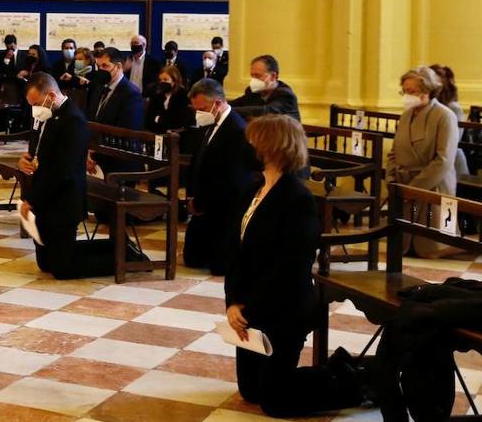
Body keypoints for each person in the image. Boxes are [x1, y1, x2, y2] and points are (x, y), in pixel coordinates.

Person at [225, 114, 362, 418]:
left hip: (282, 310)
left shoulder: (296, 198)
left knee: (276, 402)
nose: (246, 147)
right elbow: (235, 252)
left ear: (272, 148)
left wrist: (249, 309)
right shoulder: (253, 190)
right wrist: (234, 301)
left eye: (252, 142)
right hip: (249, 307)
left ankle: (354, 380)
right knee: (251, 392)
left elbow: (290, 269)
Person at [17, 73, 116, 279]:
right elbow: (36, 148)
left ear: (51, 95)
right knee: (46, 264)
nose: (34, 109)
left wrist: (32, 200)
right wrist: (26, 159)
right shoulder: (45, 115)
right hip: (46, 194)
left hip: (64, 199)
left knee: (62, 269)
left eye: (36, 103)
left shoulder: (73, 121)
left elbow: (62, 171)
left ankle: (125, 258)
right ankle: (109, 249)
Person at [182, 79, 257, 274]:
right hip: (204, 199)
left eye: (203, 108)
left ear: (217, 103)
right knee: (191, 258)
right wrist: (191, 196)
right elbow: (197, 161)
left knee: (219, 266)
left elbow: (230, 178)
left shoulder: (237, 130)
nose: (199, 113)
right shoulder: (209, 123)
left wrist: (201, 203)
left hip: (224, 205)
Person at [387, 66, 461, 257]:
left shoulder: (445, 116)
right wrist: (392, 179)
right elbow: (393, 152)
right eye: (404, 91)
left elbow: (443, 160)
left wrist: (415, 188)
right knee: (401, 242)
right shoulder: (406, 116)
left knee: (432, 247)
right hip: (405, 182)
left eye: (411, 92)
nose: (406, 96)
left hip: (432, 184)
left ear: (427, 90)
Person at [86, 47, 145, 178]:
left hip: (119, 161)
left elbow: (127, 132)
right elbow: (91, 121)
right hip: (96, 156)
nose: (101, 70)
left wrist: (95, 155)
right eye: (99, 66)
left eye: (105, 66)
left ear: (118, 66)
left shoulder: (131, 93)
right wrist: (87, 152)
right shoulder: (99, 89)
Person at [231, 55, 301, 120]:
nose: (254, 80)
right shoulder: (252, 91)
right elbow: (239, 103)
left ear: (273, 76)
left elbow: (266, 111)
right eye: (252, 76)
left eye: (258, 76)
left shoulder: (286, 95)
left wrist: (229, 110)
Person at [147, 65, 193, 133]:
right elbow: (149, 117)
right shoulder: (157, 94)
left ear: (174, 81)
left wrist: (158, 119)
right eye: (160, 80)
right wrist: (161, 120)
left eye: (165, 80)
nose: (162, 82)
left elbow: (177, 121)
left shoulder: (182, 95)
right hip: (156, 131)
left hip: (176, 134)